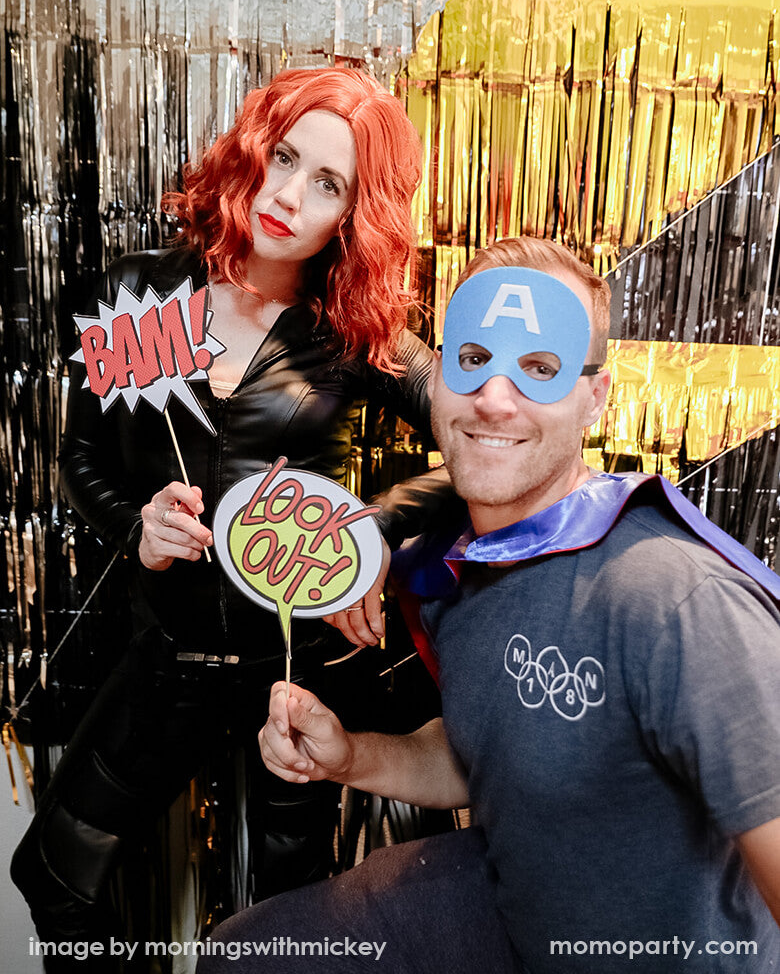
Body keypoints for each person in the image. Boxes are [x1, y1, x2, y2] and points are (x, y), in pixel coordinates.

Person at [198, 236, 780, 973]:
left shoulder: (674, 602)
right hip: (516, 909)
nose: (496, 397)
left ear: (594, 398)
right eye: (475, 359)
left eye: (540, 369)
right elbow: (495, 751)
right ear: (437, 377)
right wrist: (350, 758)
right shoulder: (462, 571)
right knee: (247, 959)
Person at [12, 68, 442, 969]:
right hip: (165, 662)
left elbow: (484, 448)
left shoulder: (355, 327)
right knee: (52, 874)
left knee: (284, 934)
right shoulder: (136, 295)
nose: (289, 196)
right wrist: (137, 530)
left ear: (354, 215)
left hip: (297, 673)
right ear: (251, 149)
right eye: (285, 157)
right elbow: (81, 460)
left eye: (329, 183)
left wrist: (368, 534)